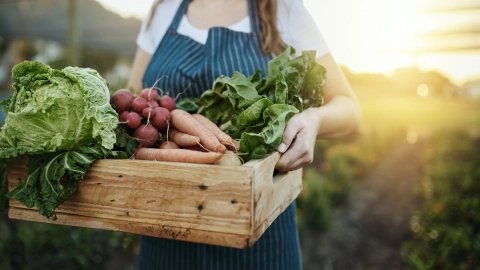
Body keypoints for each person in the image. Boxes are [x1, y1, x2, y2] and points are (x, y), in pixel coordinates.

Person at [127, 0, 361, 269]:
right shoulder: (165, 9)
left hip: (259, 233)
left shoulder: (283, 9)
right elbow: (135, 101)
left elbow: (349, 108)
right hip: (165, 228)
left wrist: (314, 118)